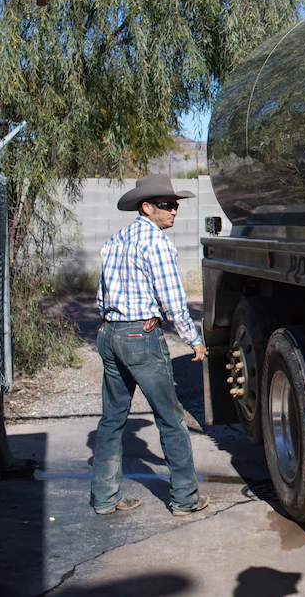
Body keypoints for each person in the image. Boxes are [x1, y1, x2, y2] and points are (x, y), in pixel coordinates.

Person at [90, 174, 210, 516]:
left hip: (110, 333)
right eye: (166, 205)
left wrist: (119, 320)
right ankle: (185, 498)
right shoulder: (156, 242)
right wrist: (193, 339)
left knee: (112, 419)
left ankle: (104, 498)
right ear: (147, 207)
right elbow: (172, 299)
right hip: (139, 338)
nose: (174, 211)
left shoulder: (116, 239)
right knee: (171, 417)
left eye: (175, 205)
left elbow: (102, 296)